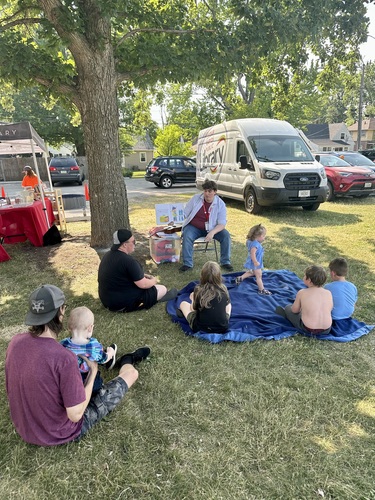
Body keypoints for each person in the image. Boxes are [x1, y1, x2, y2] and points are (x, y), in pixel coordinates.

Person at [5, 284, 150, 446]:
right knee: (131, 375)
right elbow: (75, 414)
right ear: (61, 312)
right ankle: (127, 360)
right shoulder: (64, 358)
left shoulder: (15, 342)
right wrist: (93, 371)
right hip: (59, 433)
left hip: (25, 429)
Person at [98, 229, 177, 312]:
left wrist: (141, 275)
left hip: (107, 301)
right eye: (133, 242)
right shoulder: (129, 261)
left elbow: (121, 275)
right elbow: (143, 285)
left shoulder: (107, 256)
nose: (135, 244)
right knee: (162, 289)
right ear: (124, 245)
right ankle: (150, 301)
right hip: (122, 304)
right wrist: (154, 280)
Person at [60, 306, 118, 395]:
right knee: (96, 382)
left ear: (69, 327)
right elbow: (103, 359)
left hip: (70, 378)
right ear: (90, 328)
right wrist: (110, 353)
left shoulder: (63, 344)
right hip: (86, 376)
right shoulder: (93, 346)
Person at [179, 180, 233, 272]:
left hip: (213, 228)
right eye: (205, 191)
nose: (207, 194)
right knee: (187, 235)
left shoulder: (220, 204)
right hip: (194, 227)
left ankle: (225, 262)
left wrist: (212, 232)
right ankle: (187, 264)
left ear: (215, 192)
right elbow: (184, 213)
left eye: (209, 191)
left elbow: (222, 224)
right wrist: (174, 220)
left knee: (226, 235)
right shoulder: (196, 199)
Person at [275, 265, 333, 335]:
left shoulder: (302, 292)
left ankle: (285, 315)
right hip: (326, 329)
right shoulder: (328, 293)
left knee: (288, 307)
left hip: (308, 328)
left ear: (309, 280)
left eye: (304, 275)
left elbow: (294, 310)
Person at [177, 261, 232, 333]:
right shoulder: (223, 289)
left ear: (202, 276)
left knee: (183, 304)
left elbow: (193, 309)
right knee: (229, 305)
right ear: (219, 276)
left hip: (201, 327)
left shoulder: (199, 290)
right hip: (222, 327)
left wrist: (193, 299)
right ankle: (223, 317)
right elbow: (226, 304)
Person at [236, 223, 272, 295]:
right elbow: (253, 254)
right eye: (263, 236)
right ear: (259, 236)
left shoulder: (250, 241)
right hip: (255, 263)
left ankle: (241, 278)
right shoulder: (255, 244)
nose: (264, 238)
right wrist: (255, 262)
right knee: (259, 276)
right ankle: (261, 290)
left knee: (252, 272)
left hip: (253, 262)